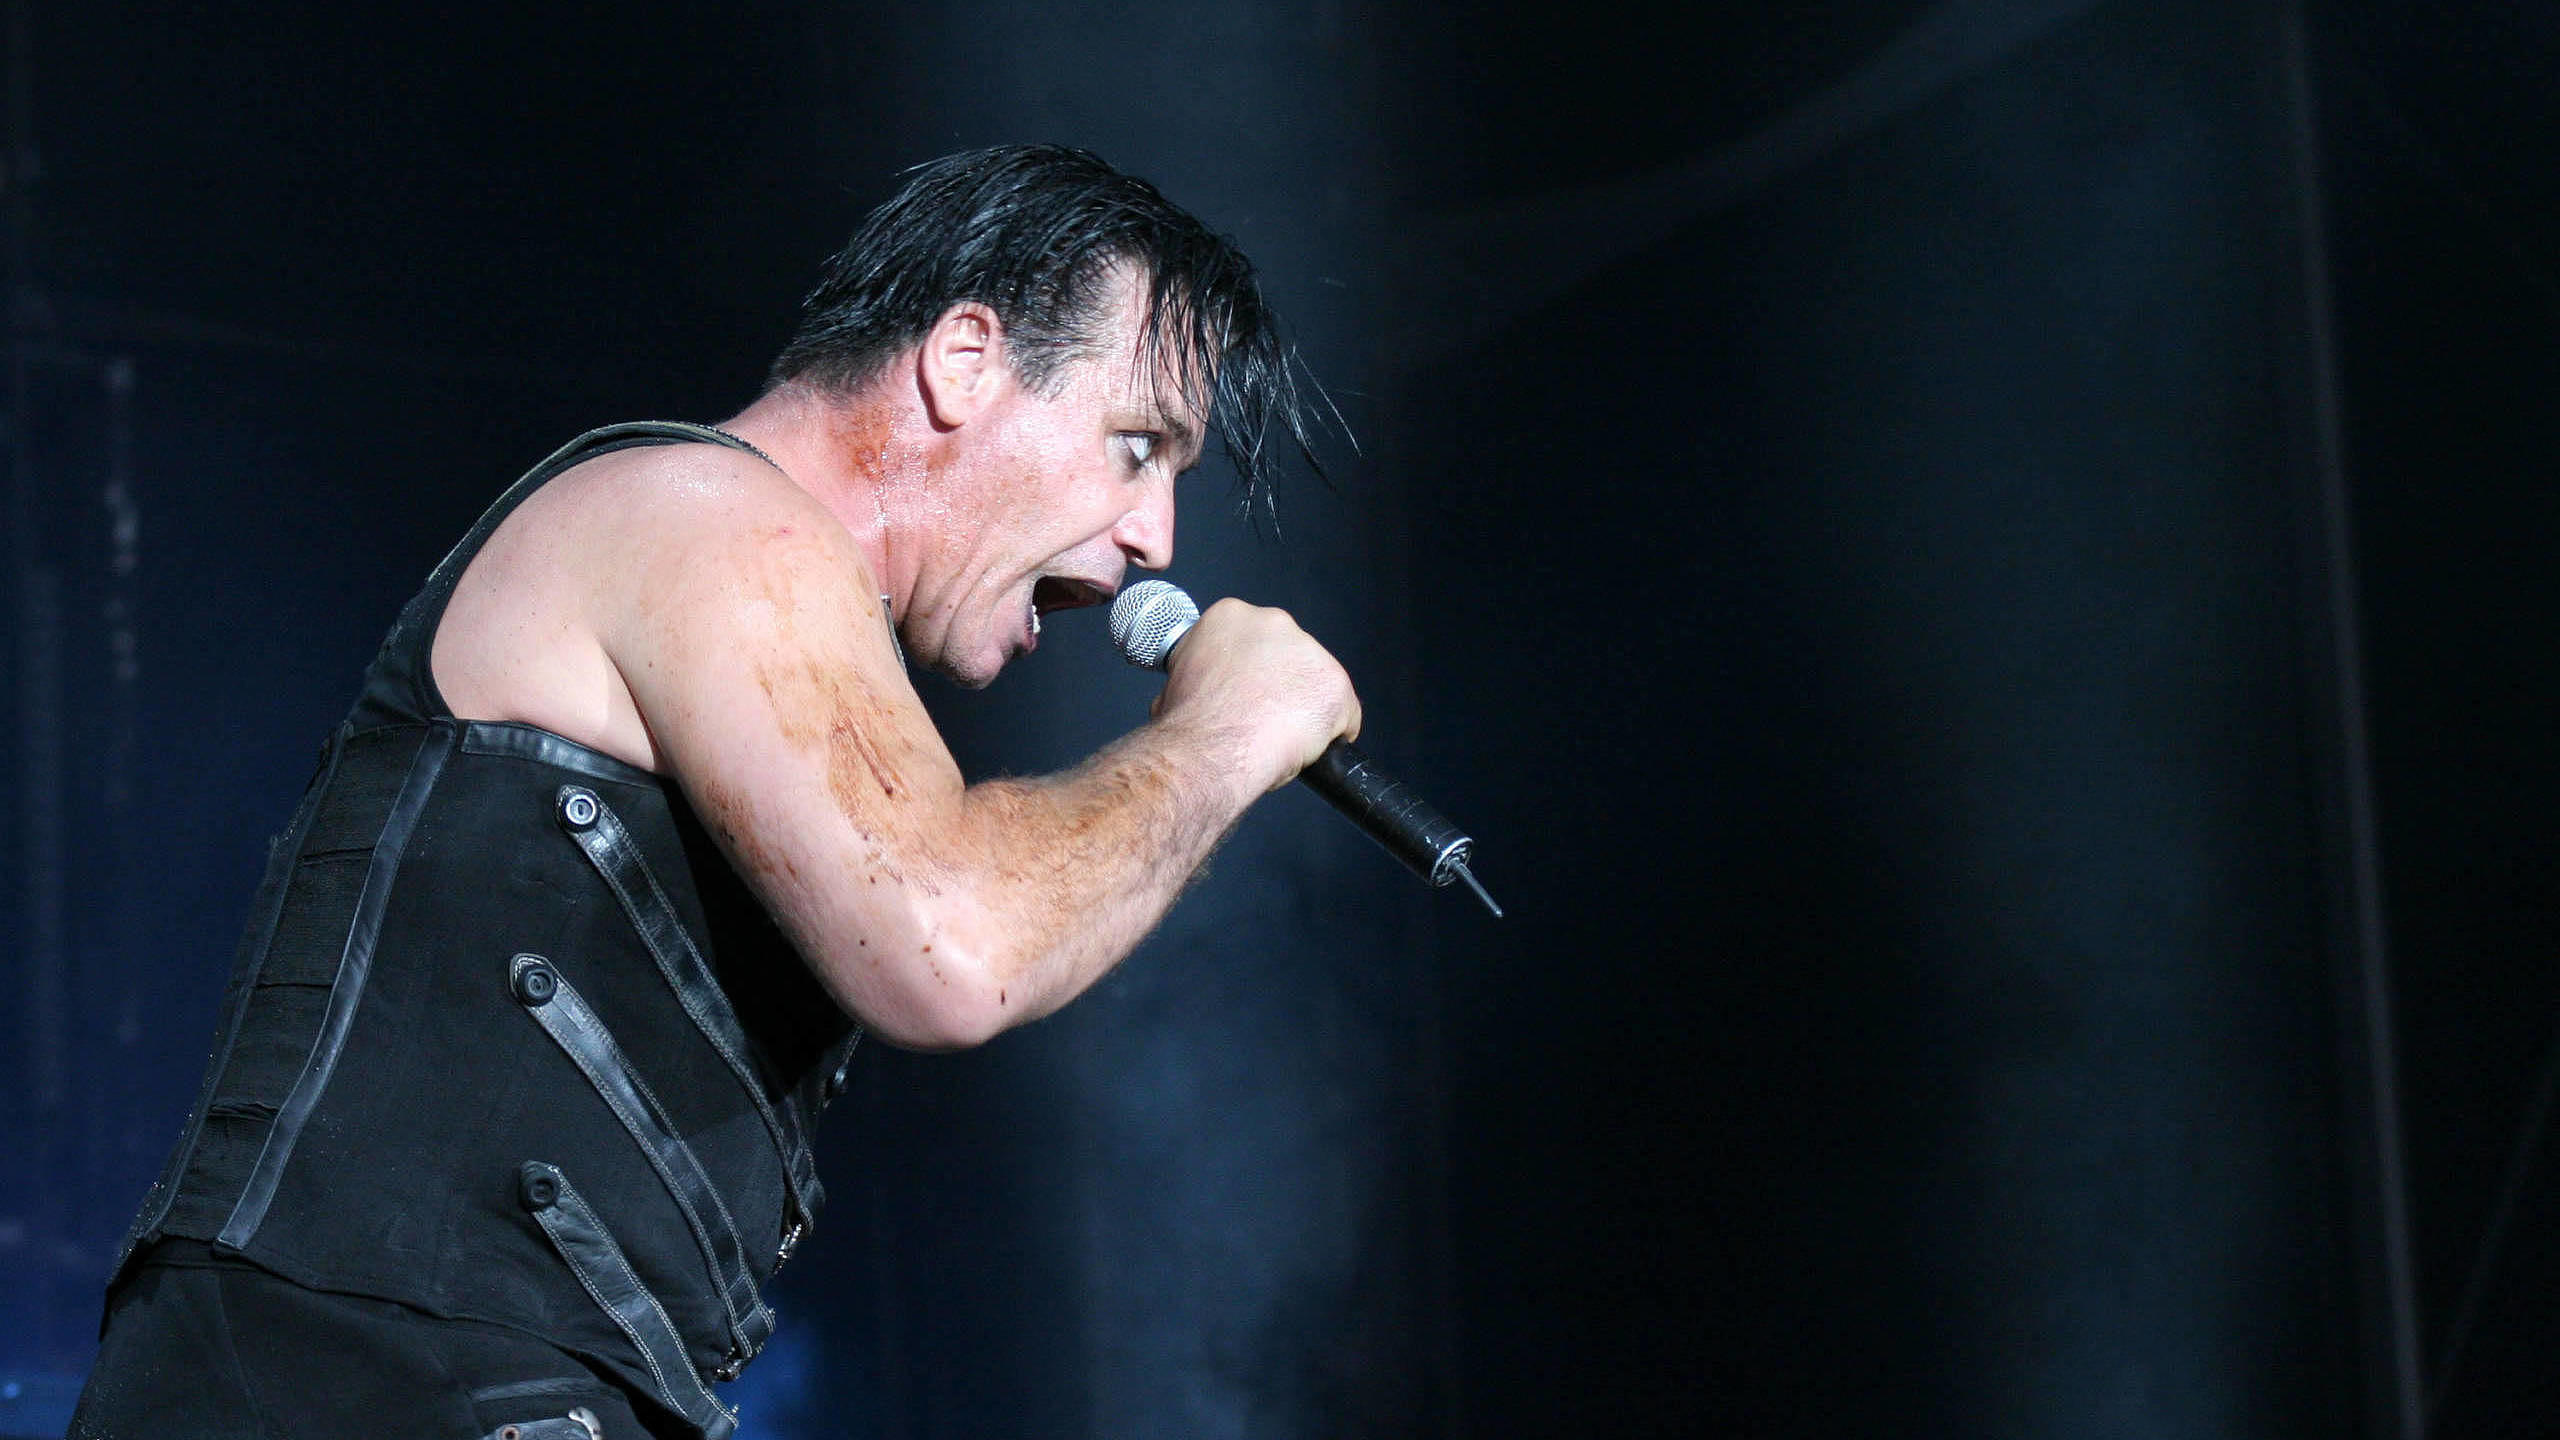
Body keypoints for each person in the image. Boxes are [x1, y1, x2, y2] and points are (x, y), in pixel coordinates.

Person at [70, 144, 1358, 1440]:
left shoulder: (750, 564)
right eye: (1137, 446)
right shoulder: (707, 514)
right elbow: (951, 944)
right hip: (354, 1378)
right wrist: (1226, 735)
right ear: (965, 361)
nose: (1156, 538)